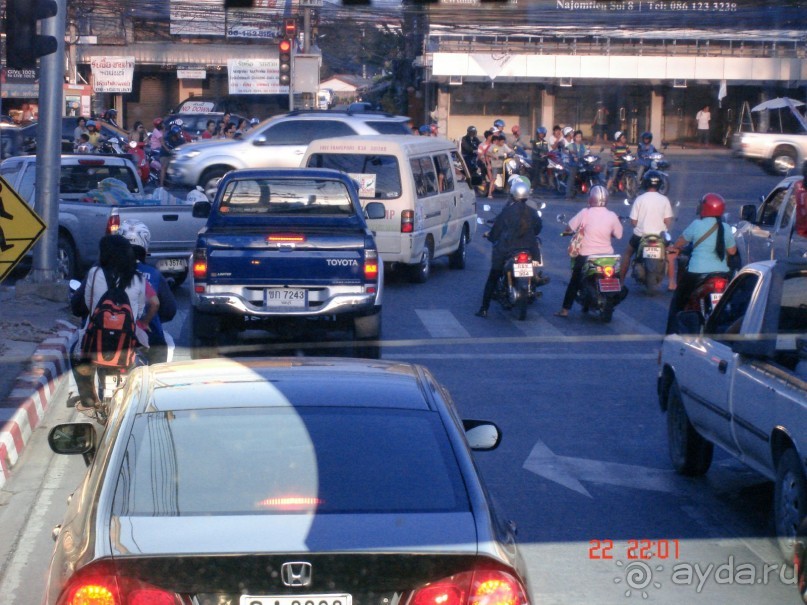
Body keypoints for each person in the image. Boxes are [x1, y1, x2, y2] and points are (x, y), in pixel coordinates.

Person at [70, 234, 159, 411]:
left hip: (96, 338)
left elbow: (88, 304)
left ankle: (88, 397)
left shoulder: (94, 273)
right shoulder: (139, 279)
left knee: (75, 353)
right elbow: (140, 310)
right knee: (145, 357)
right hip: (127, 341)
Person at [665, 193, 737, 333]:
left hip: (697, 274)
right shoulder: (725, 227)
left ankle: (670, 335)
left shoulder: (697, 224)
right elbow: (732, 251)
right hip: (721, 274)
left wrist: (674, 247)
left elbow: (680, 243)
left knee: (678, 300)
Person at [475, 180, 542, 318]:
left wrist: (490, 236)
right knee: (535, 273)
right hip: (530, 249)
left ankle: (484, 309)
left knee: (493, 276)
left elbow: (496, 231)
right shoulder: (532, 212)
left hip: (508, 249)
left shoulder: (507, 211)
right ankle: (532, 286)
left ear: (512, 195)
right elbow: (538, 228)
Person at [555, 185, 623, 318]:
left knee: (574, 281)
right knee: (616, 277)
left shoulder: (585, 213)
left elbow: (569, 227)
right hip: (608, 256)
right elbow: (619, 235)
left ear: (591, 199)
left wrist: (568, 231)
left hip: (587, 255)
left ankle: (565, 310)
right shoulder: (612, 215)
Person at [119, 220, 177, 364]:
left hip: (108, 336)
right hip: (149, 338)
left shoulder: (102, 271)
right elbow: (169, 310)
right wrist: (145, 322)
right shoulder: (153, 274)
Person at [619, 171, 675, 286]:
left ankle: (620, 281)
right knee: (670, 255)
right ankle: (671, 283)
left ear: (645, 183)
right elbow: (668, 221)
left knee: (628, 254)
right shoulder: (664, 199)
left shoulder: (640, 199)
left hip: (641, 236)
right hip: (660, 236)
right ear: (660, 184)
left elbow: (633, 222)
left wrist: (640, 226)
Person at [485, 133, 512, 199]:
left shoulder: (504, 146)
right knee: (493, 179)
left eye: (503, 141)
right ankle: (489, 193)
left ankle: (508, 191)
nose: (503, 143)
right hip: (495, 165)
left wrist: (512, 152)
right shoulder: (494, 146)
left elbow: (509, 151)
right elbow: (487, 153)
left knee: (510, 175)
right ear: (498, 141)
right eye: (502, 141)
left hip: (503, 165)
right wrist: (494, 156)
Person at [565, 129, 588, 200]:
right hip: (573, 165)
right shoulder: (571, 146)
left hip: (582, 164)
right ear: (574, 137)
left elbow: (587, 153)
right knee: (571, 178)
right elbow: (568, 151)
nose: (579, 138)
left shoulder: (583, 146)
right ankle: (568, 195)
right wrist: (573, 156)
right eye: (577, 137)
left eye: (580, 137)